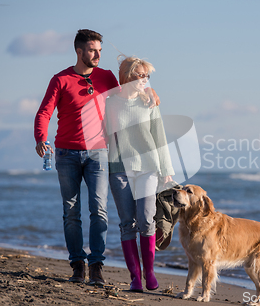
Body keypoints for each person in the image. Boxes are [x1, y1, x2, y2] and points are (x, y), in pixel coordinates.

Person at [34, 29, 159, 285]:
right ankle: (77, 264)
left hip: (99, 154)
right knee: (71, 212)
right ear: (79, 51)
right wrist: (40, 138)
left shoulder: (106, 77)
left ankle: (97, 266)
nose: (97, 55)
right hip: (66, 153)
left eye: (100, 50)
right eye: (92, 50)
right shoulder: (60, 79)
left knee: (99, 211)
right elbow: (44, 112)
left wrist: (150, 91)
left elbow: (129, 92)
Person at [106, 57, 174, 292]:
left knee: (146, 221)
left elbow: (160, 135)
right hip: (119, 169)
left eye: (147, 76)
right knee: (127, 224)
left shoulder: (149, 102)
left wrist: (166, 170)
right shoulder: (110, 103)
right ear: (126, 76)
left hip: (148, 168)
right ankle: (135, 278)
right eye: (140, 75)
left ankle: (150, 272)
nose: (144, 80)